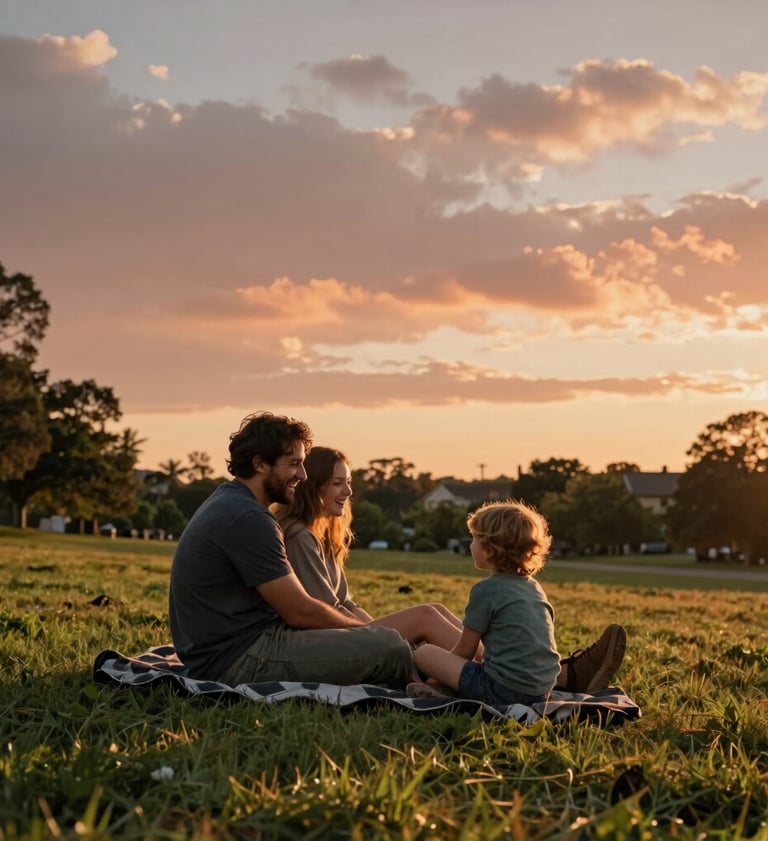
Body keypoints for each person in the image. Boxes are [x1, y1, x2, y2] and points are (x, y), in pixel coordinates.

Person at [275, 446, 626, 694]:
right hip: (323, 638)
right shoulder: (301, 537)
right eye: (338, 483)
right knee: (427, 616)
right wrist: (373, 636)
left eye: (347, 482)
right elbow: (322, 613)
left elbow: (346, 603)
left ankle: (513, 672)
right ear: (313, 486)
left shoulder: (322, 536)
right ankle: (555, 676)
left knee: (435, 611)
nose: (348, 491)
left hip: (343, 628)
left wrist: (375, 632)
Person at [168, 412, 415, 690]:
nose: (303, 475)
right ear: (260, 464)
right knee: (390, 646)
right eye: (294, 464)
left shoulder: (231, 501)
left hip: (231, 650)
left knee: (388, 640)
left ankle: (439, 670)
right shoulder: (249, 517)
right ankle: (444, 677)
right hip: (239, 659)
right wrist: (368, 633)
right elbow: (299, 611)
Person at [409, 500, 584, 707]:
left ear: (491, 548)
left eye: (474, 538)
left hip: (502, 691)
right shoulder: (534, 588)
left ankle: (440, 690)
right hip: (541, 692)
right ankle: (448, 688)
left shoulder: (486, 590)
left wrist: (438, 674)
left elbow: (465, 650)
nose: (470, 544)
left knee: (424, 653)